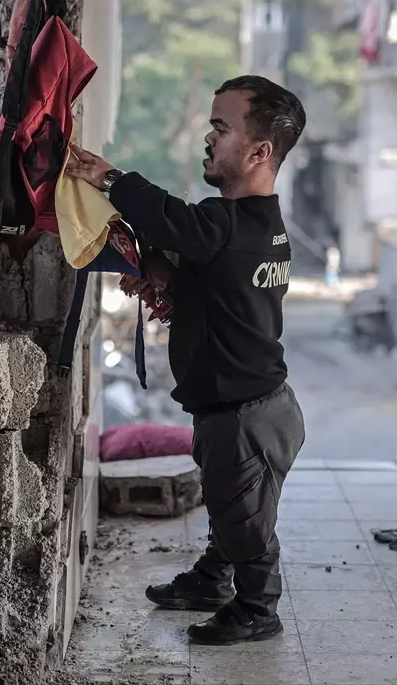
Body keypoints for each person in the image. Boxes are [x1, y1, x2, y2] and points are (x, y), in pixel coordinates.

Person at [66, 75, 307, 646]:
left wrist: (109, 177)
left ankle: (256, 607)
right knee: (231, 505)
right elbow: (216, 282)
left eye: (221, 128)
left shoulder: (222, 226)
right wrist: (169, 281)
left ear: (259, 151)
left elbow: (174, 221)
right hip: (256, 408)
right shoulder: (262, 230)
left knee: (245, 522)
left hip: (245, 416)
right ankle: (212, 580)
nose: (208, 137)